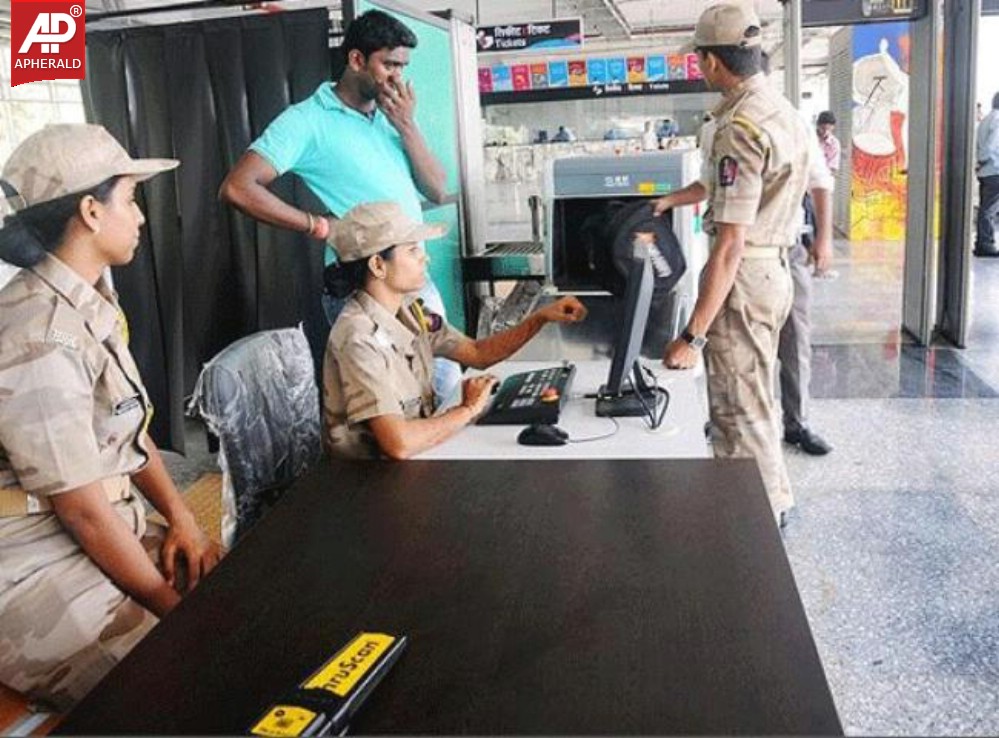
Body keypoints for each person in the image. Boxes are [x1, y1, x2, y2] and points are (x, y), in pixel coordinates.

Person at [0, 124, 222, 709]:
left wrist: (182, 518)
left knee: (235, 608)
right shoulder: (37, 333)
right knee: (185, 680)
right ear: (92, 212)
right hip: (30, 565)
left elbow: (128, 430)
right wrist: (167, 607)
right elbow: (80, 510)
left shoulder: (89, 295)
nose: (142, 217)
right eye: (131, 198)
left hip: (101, 526)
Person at [219, 9, 460, 398]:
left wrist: (407, 125)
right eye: (389, 64)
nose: (397, 76)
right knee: (392, 401)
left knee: (443, 383)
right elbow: (238, 187)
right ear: (356, 60)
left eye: (402, 66)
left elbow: (435, 187)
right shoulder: (305, 120)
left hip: (411, 276)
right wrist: (318, 225)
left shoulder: (391, 116)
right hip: (365, 285)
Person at [653, 3, 811, 527]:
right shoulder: (780, 110)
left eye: (699, 59)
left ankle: (756, 520)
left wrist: (691, 338)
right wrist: (670, 200)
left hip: (743, 277)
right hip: (775, 269)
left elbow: (729, 246)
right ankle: (776, 495)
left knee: (737, 403)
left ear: (711, 63)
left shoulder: (738, 126)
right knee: (756, 391)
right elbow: (731, 188)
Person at [322, 201, 587, 460]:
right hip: (368, 487)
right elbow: (398, 444)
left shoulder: (409, 311)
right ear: (378, 265)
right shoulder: (359, 338)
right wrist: (468, 409)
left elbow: (477, 352)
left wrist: (540, 317)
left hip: (420, 460)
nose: (425, 257)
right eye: (413, 250)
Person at [975, 92, 999, 257]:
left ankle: (982, 243)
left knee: (986, 208)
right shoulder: (998, 120)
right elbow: (990, 147)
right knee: (989, 210)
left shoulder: (986, 120)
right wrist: (984, 160)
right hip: (994, 170)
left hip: (986, 172)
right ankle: (986, 244)